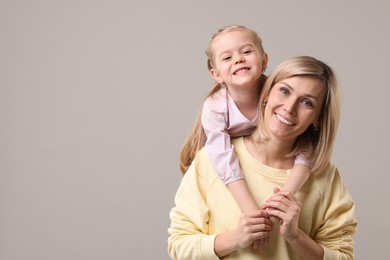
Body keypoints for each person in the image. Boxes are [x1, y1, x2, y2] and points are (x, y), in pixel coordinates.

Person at [169, 56, 358, 259]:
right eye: (284, 91)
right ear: (267, 93)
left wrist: (295, 237)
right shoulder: (210, 161)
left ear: (318, 119)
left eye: (307, 102)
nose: (289, 108)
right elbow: (179, 247)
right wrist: (234, 239)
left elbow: (343, 256)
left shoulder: (325, 177)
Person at [179, 25, 312, 245]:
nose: (239, 59)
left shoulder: (279, 94)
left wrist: (286, 194)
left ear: (265, 60)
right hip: (226, 164)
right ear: (216, 75)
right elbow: (222, 157)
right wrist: (251, 212)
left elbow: (307, 143)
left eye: (246, 52)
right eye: (227, 57)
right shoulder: (215, 107)